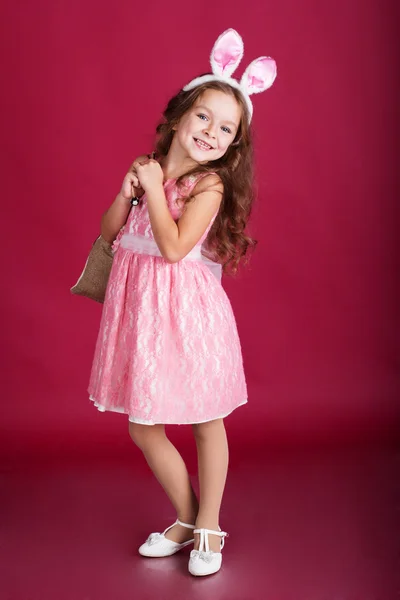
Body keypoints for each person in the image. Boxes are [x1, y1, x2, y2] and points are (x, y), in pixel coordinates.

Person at [87, 28, 277, 576]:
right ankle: (188, 517)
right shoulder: (151, 168)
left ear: (233, 145)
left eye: (227, 129)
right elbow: (108, 235)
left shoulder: (209, 186)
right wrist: (128, 192)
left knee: (204, 418)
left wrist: (152, 187)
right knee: (144, 424)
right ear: (177, 117)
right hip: (145, 314)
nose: (212, 133)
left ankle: (210, 524)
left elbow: (173, 249)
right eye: (204, 118)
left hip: (189, 315)